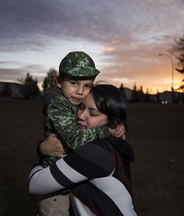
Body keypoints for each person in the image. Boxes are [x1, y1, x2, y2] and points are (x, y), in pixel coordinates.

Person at [38, 51, 125, 215]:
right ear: (58, 81)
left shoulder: (74, 102)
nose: (80, 91)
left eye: (87, 85)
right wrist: (106, 131)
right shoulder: (58, 106)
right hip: (55, 188)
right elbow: (74, 139)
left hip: (72, 180)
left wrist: (116, 124)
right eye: (73, 83)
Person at [29, 84, 137, 216]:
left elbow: (35, 184)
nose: (81, 115)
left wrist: (42, 151)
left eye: (93, 113)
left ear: (111, 122)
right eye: (81, 107)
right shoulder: (108, 144)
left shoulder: (95, 151)